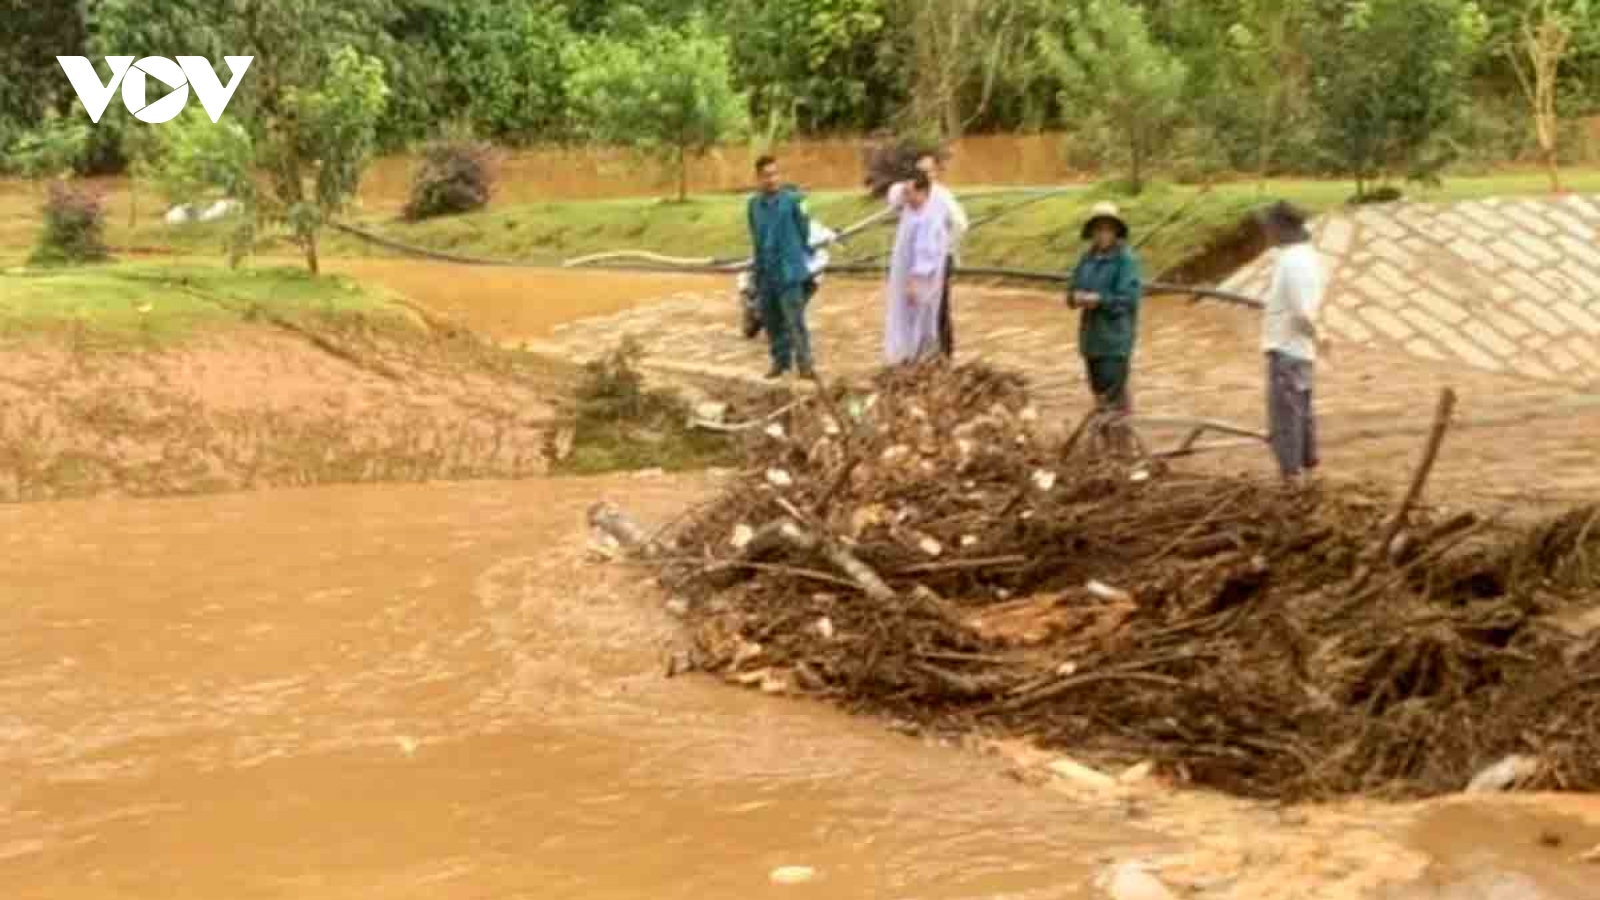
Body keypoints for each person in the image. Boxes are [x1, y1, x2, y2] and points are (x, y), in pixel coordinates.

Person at [1257, 200, 1326, 485]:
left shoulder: (1292, 261)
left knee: (1286, 418)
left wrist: (1318, 334)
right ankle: (1306, 475)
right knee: (1301, 413)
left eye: (1270, 226)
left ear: (1283, 228)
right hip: (1299, 351)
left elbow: (1301, 311)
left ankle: (1291, 481)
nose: (1266, 232)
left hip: (1287, 350)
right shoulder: (1308, 257)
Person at [888, 153, 968, 359]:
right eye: (920, 170)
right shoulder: (910, 193)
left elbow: (960, 224)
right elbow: (894, 197)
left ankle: (942, 353)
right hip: (911, 262)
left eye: (928, 170)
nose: (925, 173)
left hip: (938, 259)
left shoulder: (941, 197)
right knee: (911, 307)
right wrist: (906, 192)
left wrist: (946, 248)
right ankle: (913, 352)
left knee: (937, 306)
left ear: (936, 172)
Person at [1068, 201, 1143, 418]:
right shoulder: (1087, 258)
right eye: (1098, 229)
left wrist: (1100, 300)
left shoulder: (1126, 261)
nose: (1102, 234)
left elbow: (1128, 299)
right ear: (1091, 232)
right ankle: (1109, 442)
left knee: (1113, 400)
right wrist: (1075, 297)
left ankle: (1121, 444)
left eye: (1107, 229)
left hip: (1114, 342)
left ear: (1116, 232)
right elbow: (1072, 290)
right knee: (1099, 396)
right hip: (1091, 341)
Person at [747, 155, 816, 380]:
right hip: (766, 272)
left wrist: (797, 257)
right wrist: (756, 274)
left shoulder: (794, 201)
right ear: (758, 178)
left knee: (794, 320)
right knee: (772, 321)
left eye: (775, 174)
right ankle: (780, 362)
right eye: (766, 176)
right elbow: (755, 238)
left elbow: (804, 232)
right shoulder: (753, 205)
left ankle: (805, 365)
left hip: (789, 271)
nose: (772, 179)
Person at [883, 171, 951, 365]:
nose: (907, 196)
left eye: (910, 192)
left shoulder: (929, 218)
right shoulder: (910, 208)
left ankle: (919, 359)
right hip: (903, 275)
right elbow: (893, 195)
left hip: (920, 280)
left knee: (920, 318)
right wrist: (904, 190)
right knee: (901, 317)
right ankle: (903, 356)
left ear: (923, 192)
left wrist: (914, 283)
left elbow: (925, 254)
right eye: (906, 192)